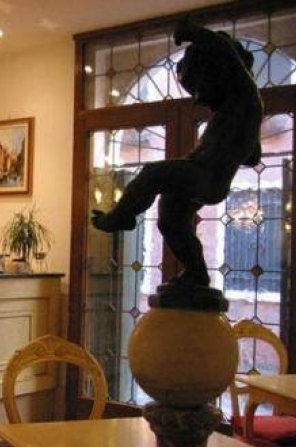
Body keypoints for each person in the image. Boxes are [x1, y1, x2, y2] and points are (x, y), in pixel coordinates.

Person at [91, 17, 263, 288]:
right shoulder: (235, 111)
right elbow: (254, 156)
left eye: (199, 88)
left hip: (208, 176)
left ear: (218, 73)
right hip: (204, 174)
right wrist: (239, 142)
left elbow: (225, 54)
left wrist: (194, 32)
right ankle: (196, 273)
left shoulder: (245, 96)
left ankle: (121, 217)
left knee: (152, 173)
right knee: (170, 219)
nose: (198, 98)